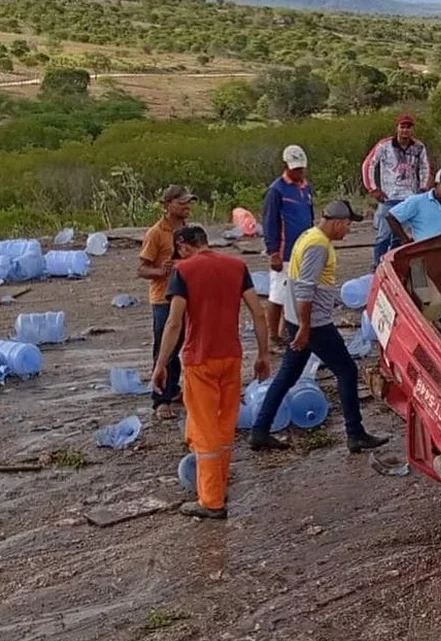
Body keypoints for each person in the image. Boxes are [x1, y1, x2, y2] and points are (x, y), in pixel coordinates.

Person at [249, 200, 388, 454]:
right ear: (336, 222)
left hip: (298, 319)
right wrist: (304, 327)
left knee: (288, 375)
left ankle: (260, 430)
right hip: (314, 323)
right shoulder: (318, 245)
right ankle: (355, 433)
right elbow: (305, 288)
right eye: (347, 225)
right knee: (346, 371)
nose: (348, 231)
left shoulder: (308, 235)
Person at [153, 226, 271, 519]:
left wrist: (161, 365)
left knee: (206, 433)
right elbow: (258, 312)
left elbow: (174, 323)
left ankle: (212, 501)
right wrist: (263, 354)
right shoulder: (236, 266)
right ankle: (218, 482)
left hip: (200, 359)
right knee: (223, 425)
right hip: (231, 357)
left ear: (182, 245)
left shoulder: (184, 271)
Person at [138, 185, 193, 420]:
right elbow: (141, 268)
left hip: (185, 296)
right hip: (163, 297)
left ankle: (173, 390)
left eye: (189, 203)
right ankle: (160, 399)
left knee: (181, 346)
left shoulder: (187, 231)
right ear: (168, 204)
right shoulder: (156, 233)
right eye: (182, 203)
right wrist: (161, 271)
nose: (187, 207)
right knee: (164, 348)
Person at [363, 114, 432, 269]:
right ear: (397, 128)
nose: (405, 130)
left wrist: (423, 188)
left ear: (412, 129)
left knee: (404, 236)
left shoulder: (418, 147)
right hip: (389, 197)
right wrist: (373, 188)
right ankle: (377, 267)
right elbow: (369, 164)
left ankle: (397, 267)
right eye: (402, 127)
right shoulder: (385, 146)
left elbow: (425, 167)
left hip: (410, 198)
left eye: (408, 127)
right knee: (383, 235)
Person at [262, 144, 314, 350]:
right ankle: (273, 336)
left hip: (303, 249)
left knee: (296, 293)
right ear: (286, 166)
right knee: (278, 295)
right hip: (284, 251)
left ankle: (286, 331)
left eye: (302, 168)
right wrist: (273, 251)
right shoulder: (276, 190)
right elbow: (269, 222)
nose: (299, 172)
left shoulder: (305, 188)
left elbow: (309, 216)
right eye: (296, 169)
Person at [385, 168, 441, 246]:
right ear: (436, 185)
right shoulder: (418, 201)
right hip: (423, 252)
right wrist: (405, 241)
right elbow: (391, 216)